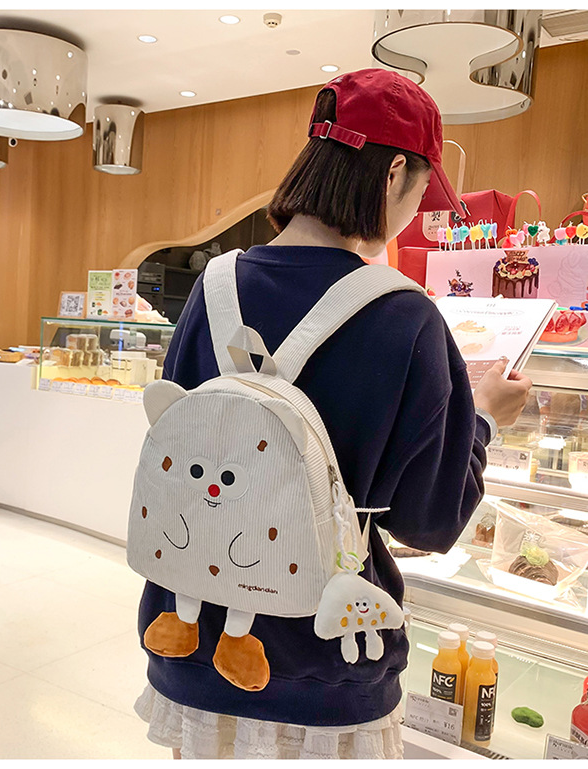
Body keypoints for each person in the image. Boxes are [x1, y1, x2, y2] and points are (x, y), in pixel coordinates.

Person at [133, 69, 531, 760]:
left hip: (189, 640)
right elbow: (430, 521)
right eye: (420, 192)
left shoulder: (212, 286)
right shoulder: (406, 317)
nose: (415, 210)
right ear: (395, 172)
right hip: (327, 662)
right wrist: (484, 421)